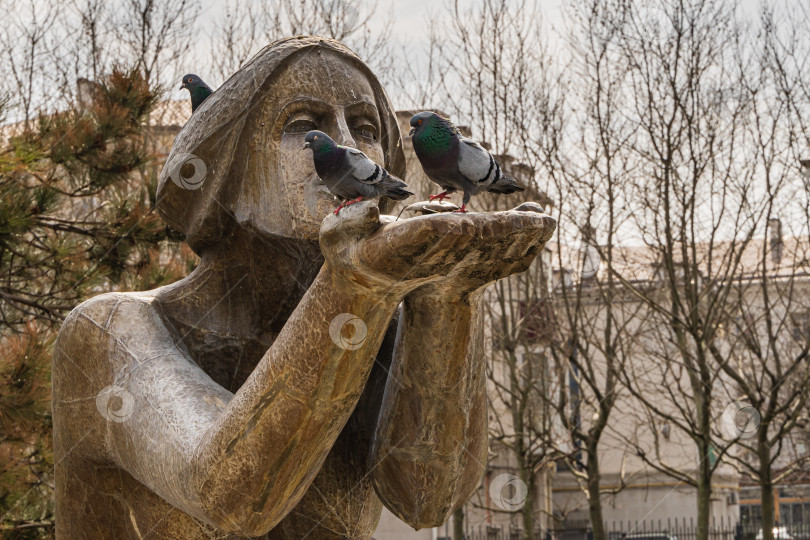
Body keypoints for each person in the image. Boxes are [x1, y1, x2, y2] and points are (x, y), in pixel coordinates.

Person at [52, 36, 555, 539]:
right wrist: (359, 282)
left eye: (364, 127)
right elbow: (233, 498)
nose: (349, 147)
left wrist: (445, 297)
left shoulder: (373, 328)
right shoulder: (107, 333)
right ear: (229, 168)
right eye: (303, 125)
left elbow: (426, 499)